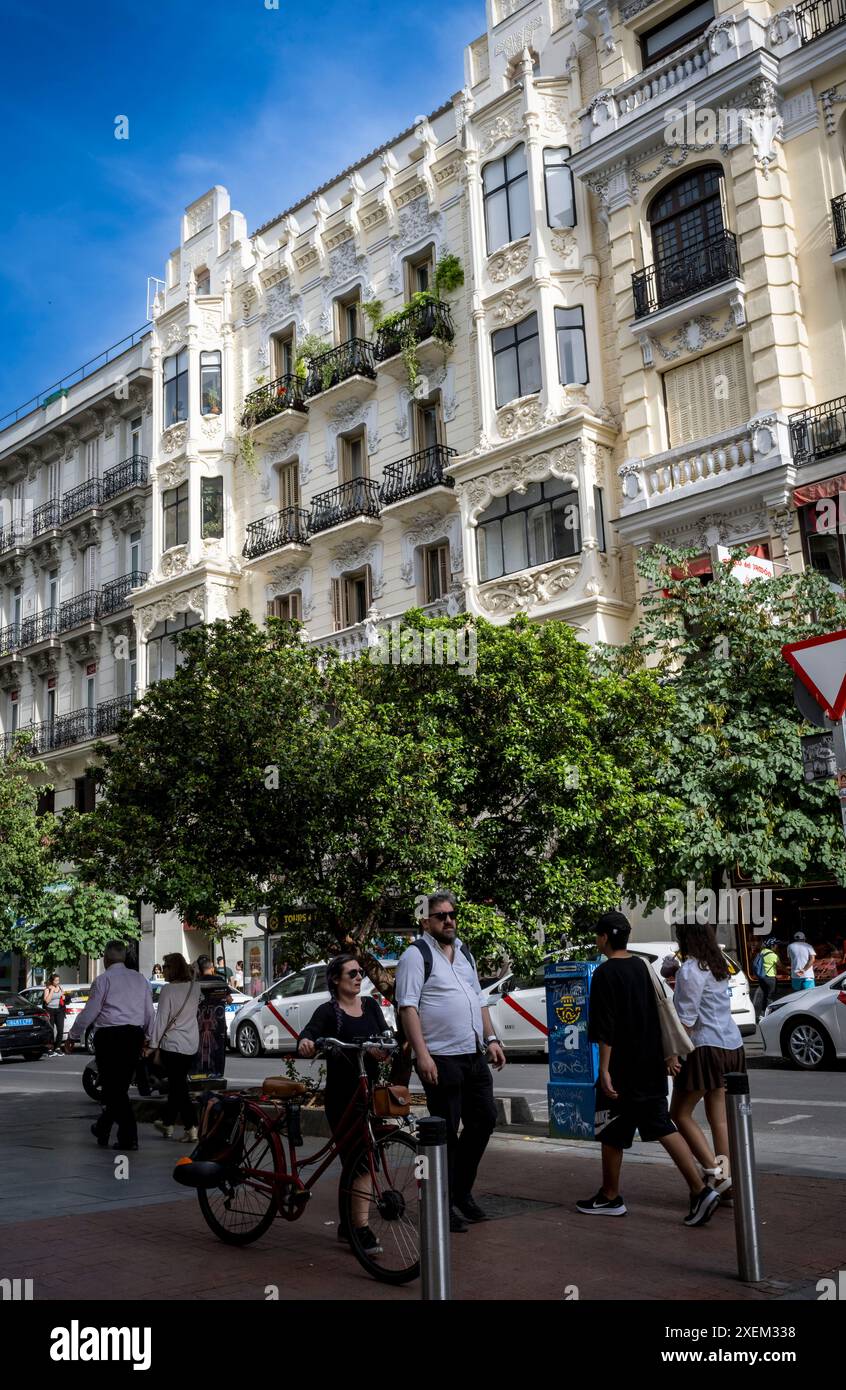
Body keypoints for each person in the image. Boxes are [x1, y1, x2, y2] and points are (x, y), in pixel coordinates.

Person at [577, 910, 720, 1227]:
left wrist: (604, 1069)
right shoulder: (643, 967)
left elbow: (606, 1028)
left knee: (612, 1126)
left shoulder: (604, 974)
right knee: (651, 1127)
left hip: (623, 1068)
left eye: (598, 935)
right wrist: (668, 1055)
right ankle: (612, 1194)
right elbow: (661, 1013)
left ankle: (695, 1189)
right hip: (651, 1063)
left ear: (604, 938)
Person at [394, 890, 505, 1233]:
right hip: (440, 1058)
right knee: (445, 1133)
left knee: (484, 1120)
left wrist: (491, 1038)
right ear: (426, 921)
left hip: (472, 1055)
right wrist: (422, 1054)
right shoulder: (416, 955)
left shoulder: (464, 953)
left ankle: (460, 1191)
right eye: (441, 915)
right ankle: (440, 1203)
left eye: (452, 914)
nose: (449, 920)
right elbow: (407, 1007)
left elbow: (478, 999)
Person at [298, 954, 390, 1254]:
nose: (358, 977)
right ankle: (359, 1230)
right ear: (336, 980)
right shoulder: (328, 1012)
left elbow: (386, 1039)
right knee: (361, 1162)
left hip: (369, 1094)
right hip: (342, 1097)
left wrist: (383, 1051)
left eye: (360, 972)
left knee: (357, 1161)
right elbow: (309, 1034)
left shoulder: (372, 1006)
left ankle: (347, 1224)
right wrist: (307, 1043)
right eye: (351, 973)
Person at [669, 922, 746, 1204]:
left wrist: (673, 1053)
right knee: (719, 1120)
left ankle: (717, 1175)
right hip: (731, 1044)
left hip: (705, 1047)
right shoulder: (717, 965)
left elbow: (687, 1021)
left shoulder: (690, 969)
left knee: (679, 1113)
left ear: (687, 940)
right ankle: (726, 1180)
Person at [65, 942, 154, 1151]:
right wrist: (150, 1038)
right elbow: (150, 1012)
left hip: (110, 1037)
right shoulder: (140, 979)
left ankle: (129, 1136)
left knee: (114, 1090)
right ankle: (103, 1127)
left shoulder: (103, 980)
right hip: (133, 1036)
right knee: (119, 1087)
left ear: (105, 958)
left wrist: (73, 1035)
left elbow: (91, 1011)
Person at [147, 954, 201, 1143]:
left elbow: (161, 1020)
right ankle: (167, 1122)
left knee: (179, 1087)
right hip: (191, 1043)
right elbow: (195, 973)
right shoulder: (195, 987)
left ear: (174, 968)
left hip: (173, 1044)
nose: (163, 969)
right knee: (178, 1084)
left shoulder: (168, 990)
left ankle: (191, 1126)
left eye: (166, 966)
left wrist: (152, 1045)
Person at [193, 956, 231, 1077]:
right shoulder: (220, 981)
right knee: (218, 1050)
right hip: (218, 1024)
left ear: (199, 969)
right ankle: (218, 1075)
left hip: (198, 1024)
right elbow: (229, 999)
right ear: (212, 968)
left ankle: (200, 1075)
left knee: (199, 1051)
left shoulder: (195, 983)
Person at [751, 937, 779, 1017]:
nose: (777, 946)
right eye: (776, 945)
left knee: (765, 996)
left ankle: (762, 1014)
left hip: (761, 978)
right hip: (770, 978)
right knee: (770, 997)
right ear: (772, 946)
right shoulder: (773, 955)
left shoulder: (761, 952)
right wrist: (788, 972)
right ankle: (769, 1015)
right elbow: (780, 965)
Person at [43, 974, 65, 1054]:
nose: (57, 982)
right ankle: (50, 1048)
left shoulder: (60, 987)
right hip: (50, 1010)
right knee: (51, 1030)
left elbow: (62, 997)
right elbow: (47, 1001)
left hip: (59, 1010)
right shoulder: (47, 989)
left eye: (58, 980)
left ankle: (58, 1047)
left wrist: (63, 997)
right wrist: (52, 990)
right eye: (56, 980)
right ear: (52, 981)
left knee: (60, 1030)